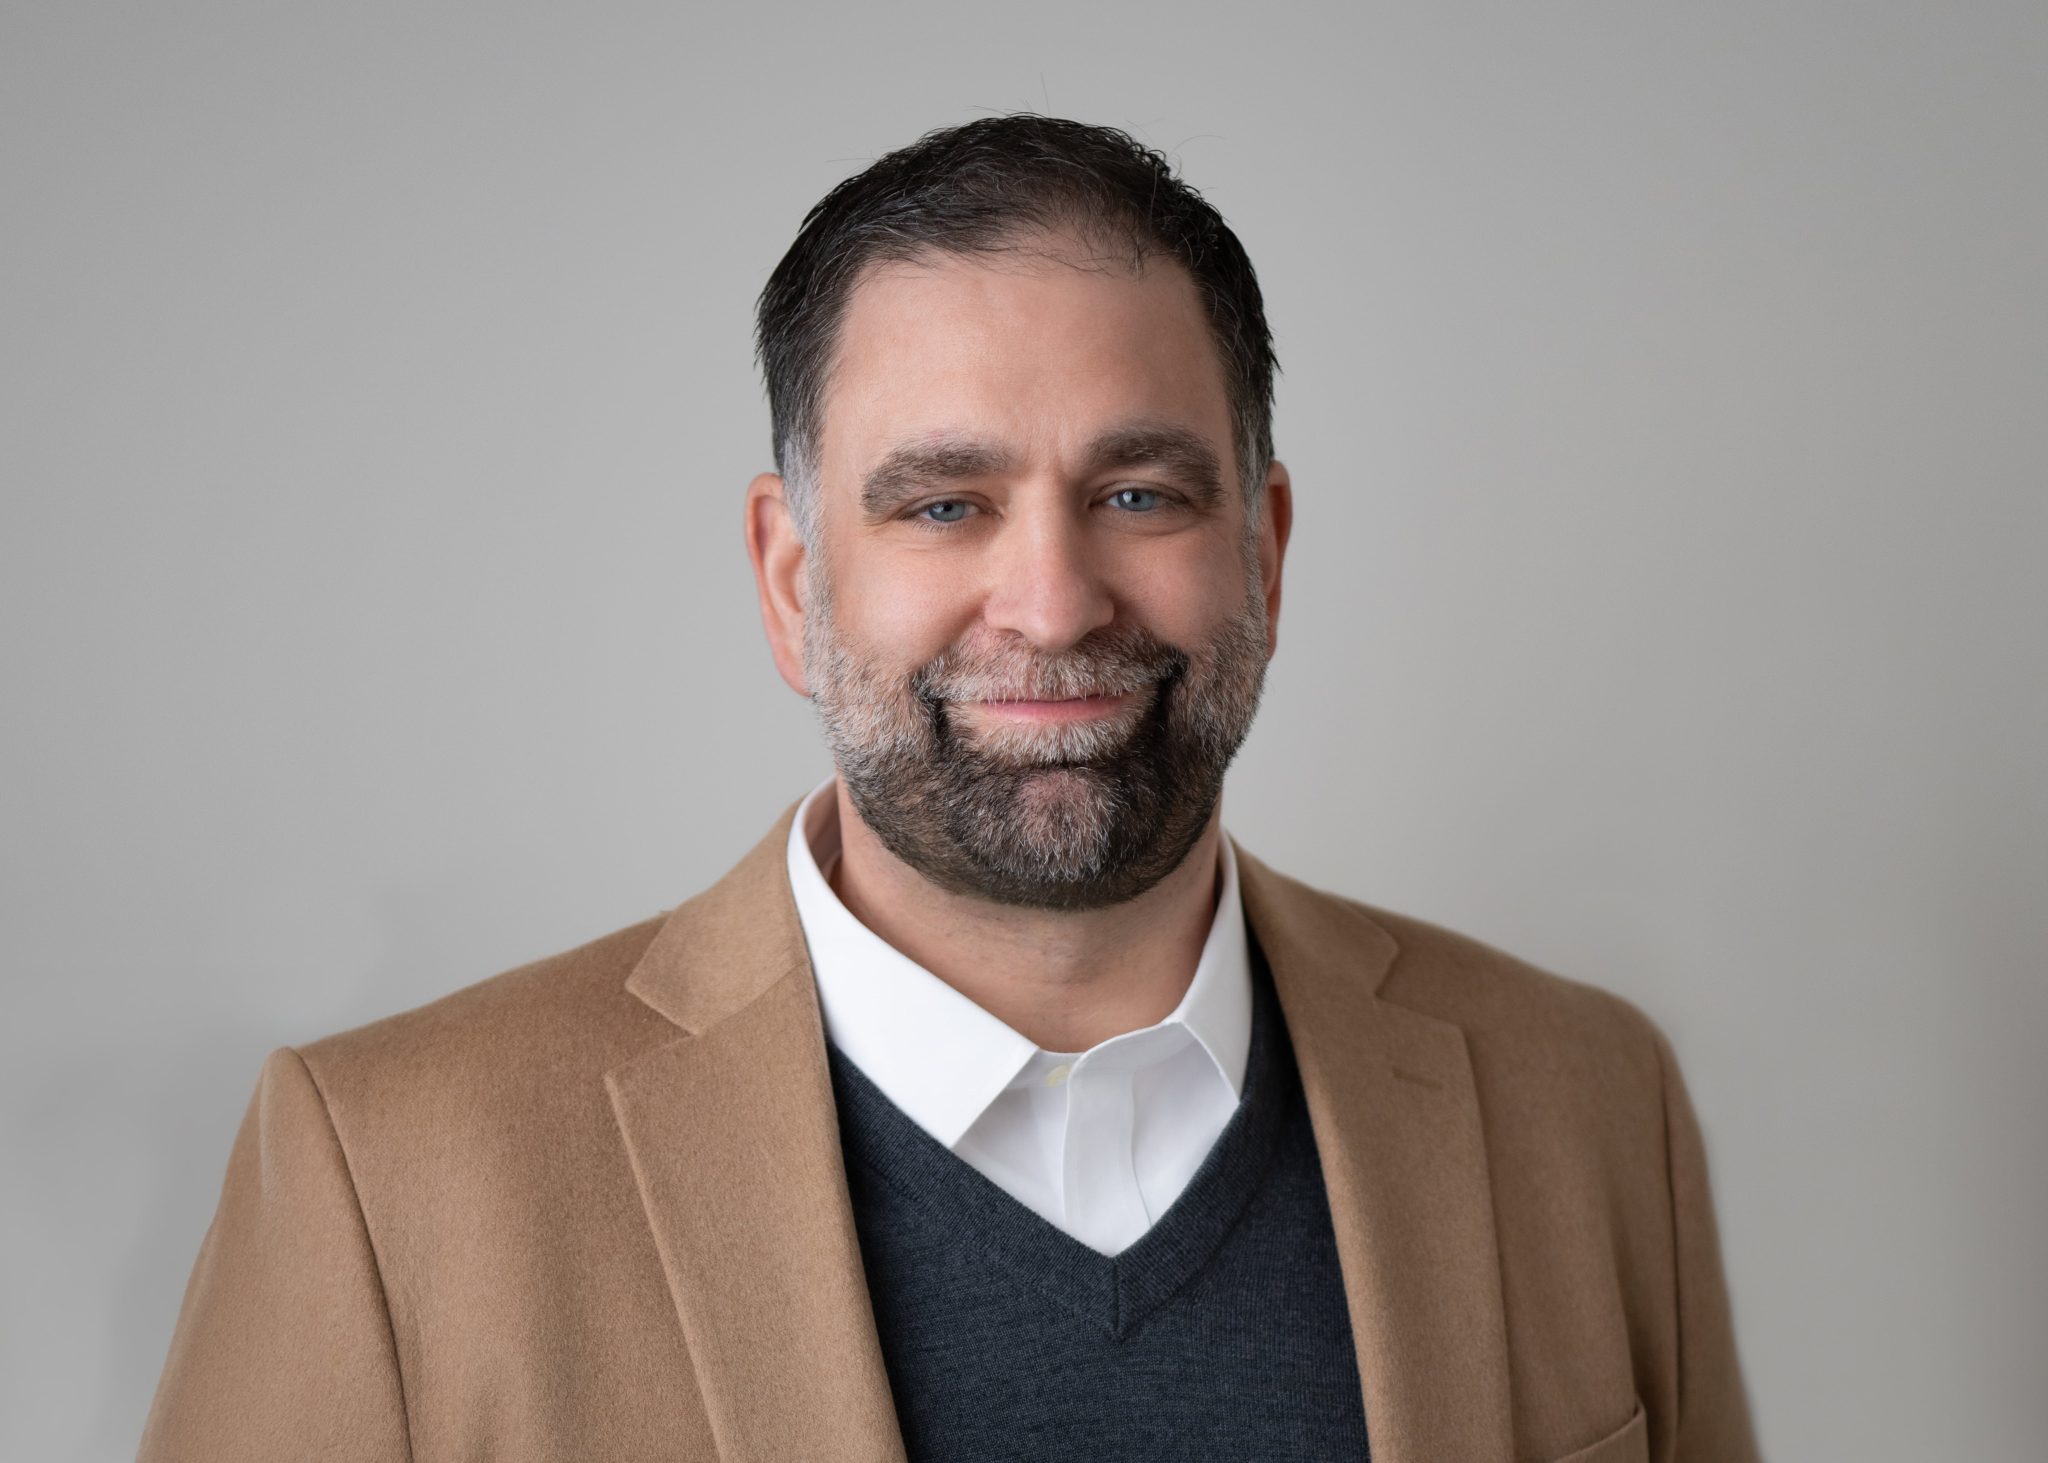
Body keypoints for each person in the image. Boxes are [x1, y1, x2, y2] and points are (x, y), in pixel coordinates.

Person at [139, 115, 1759, 1463]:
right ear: (792, 581)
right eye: (941, 506)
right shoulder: (390, 1178)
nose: (1051, 605)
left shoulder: (1585, 1099)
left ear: (1263, 550)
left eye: (1140, 493)